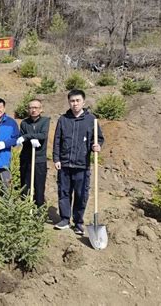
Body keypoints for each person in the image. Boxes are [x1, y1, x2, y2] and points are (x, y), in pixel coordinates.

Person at [53, 89, 104, 235]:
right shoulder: (63, 119)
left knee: (81, 194)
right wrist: (56, 158)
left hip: (82, 165)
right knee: (64, 192)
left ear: (83, 101)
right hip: (65, 163)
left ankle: (78, 222)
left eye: (77, 101)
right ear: (69, 102)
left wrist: (97, 146)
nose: (75, 104)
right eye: (72, 101)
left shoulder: (91, 120)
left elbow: (99, 139)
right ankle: (64, 219)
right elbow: (57, 140)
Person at [17, 99, 50, 207]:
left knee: (39, 186)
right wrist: (26, 139)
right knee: (25, 185)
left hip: (39, 159)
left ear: (41, 109)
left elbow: (43, 135)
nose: (33, 110)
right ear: (28, 109)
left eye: (36, 107)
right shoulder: (24, 123)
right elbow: (21, 138)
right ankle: (25, 209)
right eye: (31, 107)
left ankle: (39, 209)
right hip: (26, 159)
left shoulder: (45, 121)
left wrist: (27, 136)